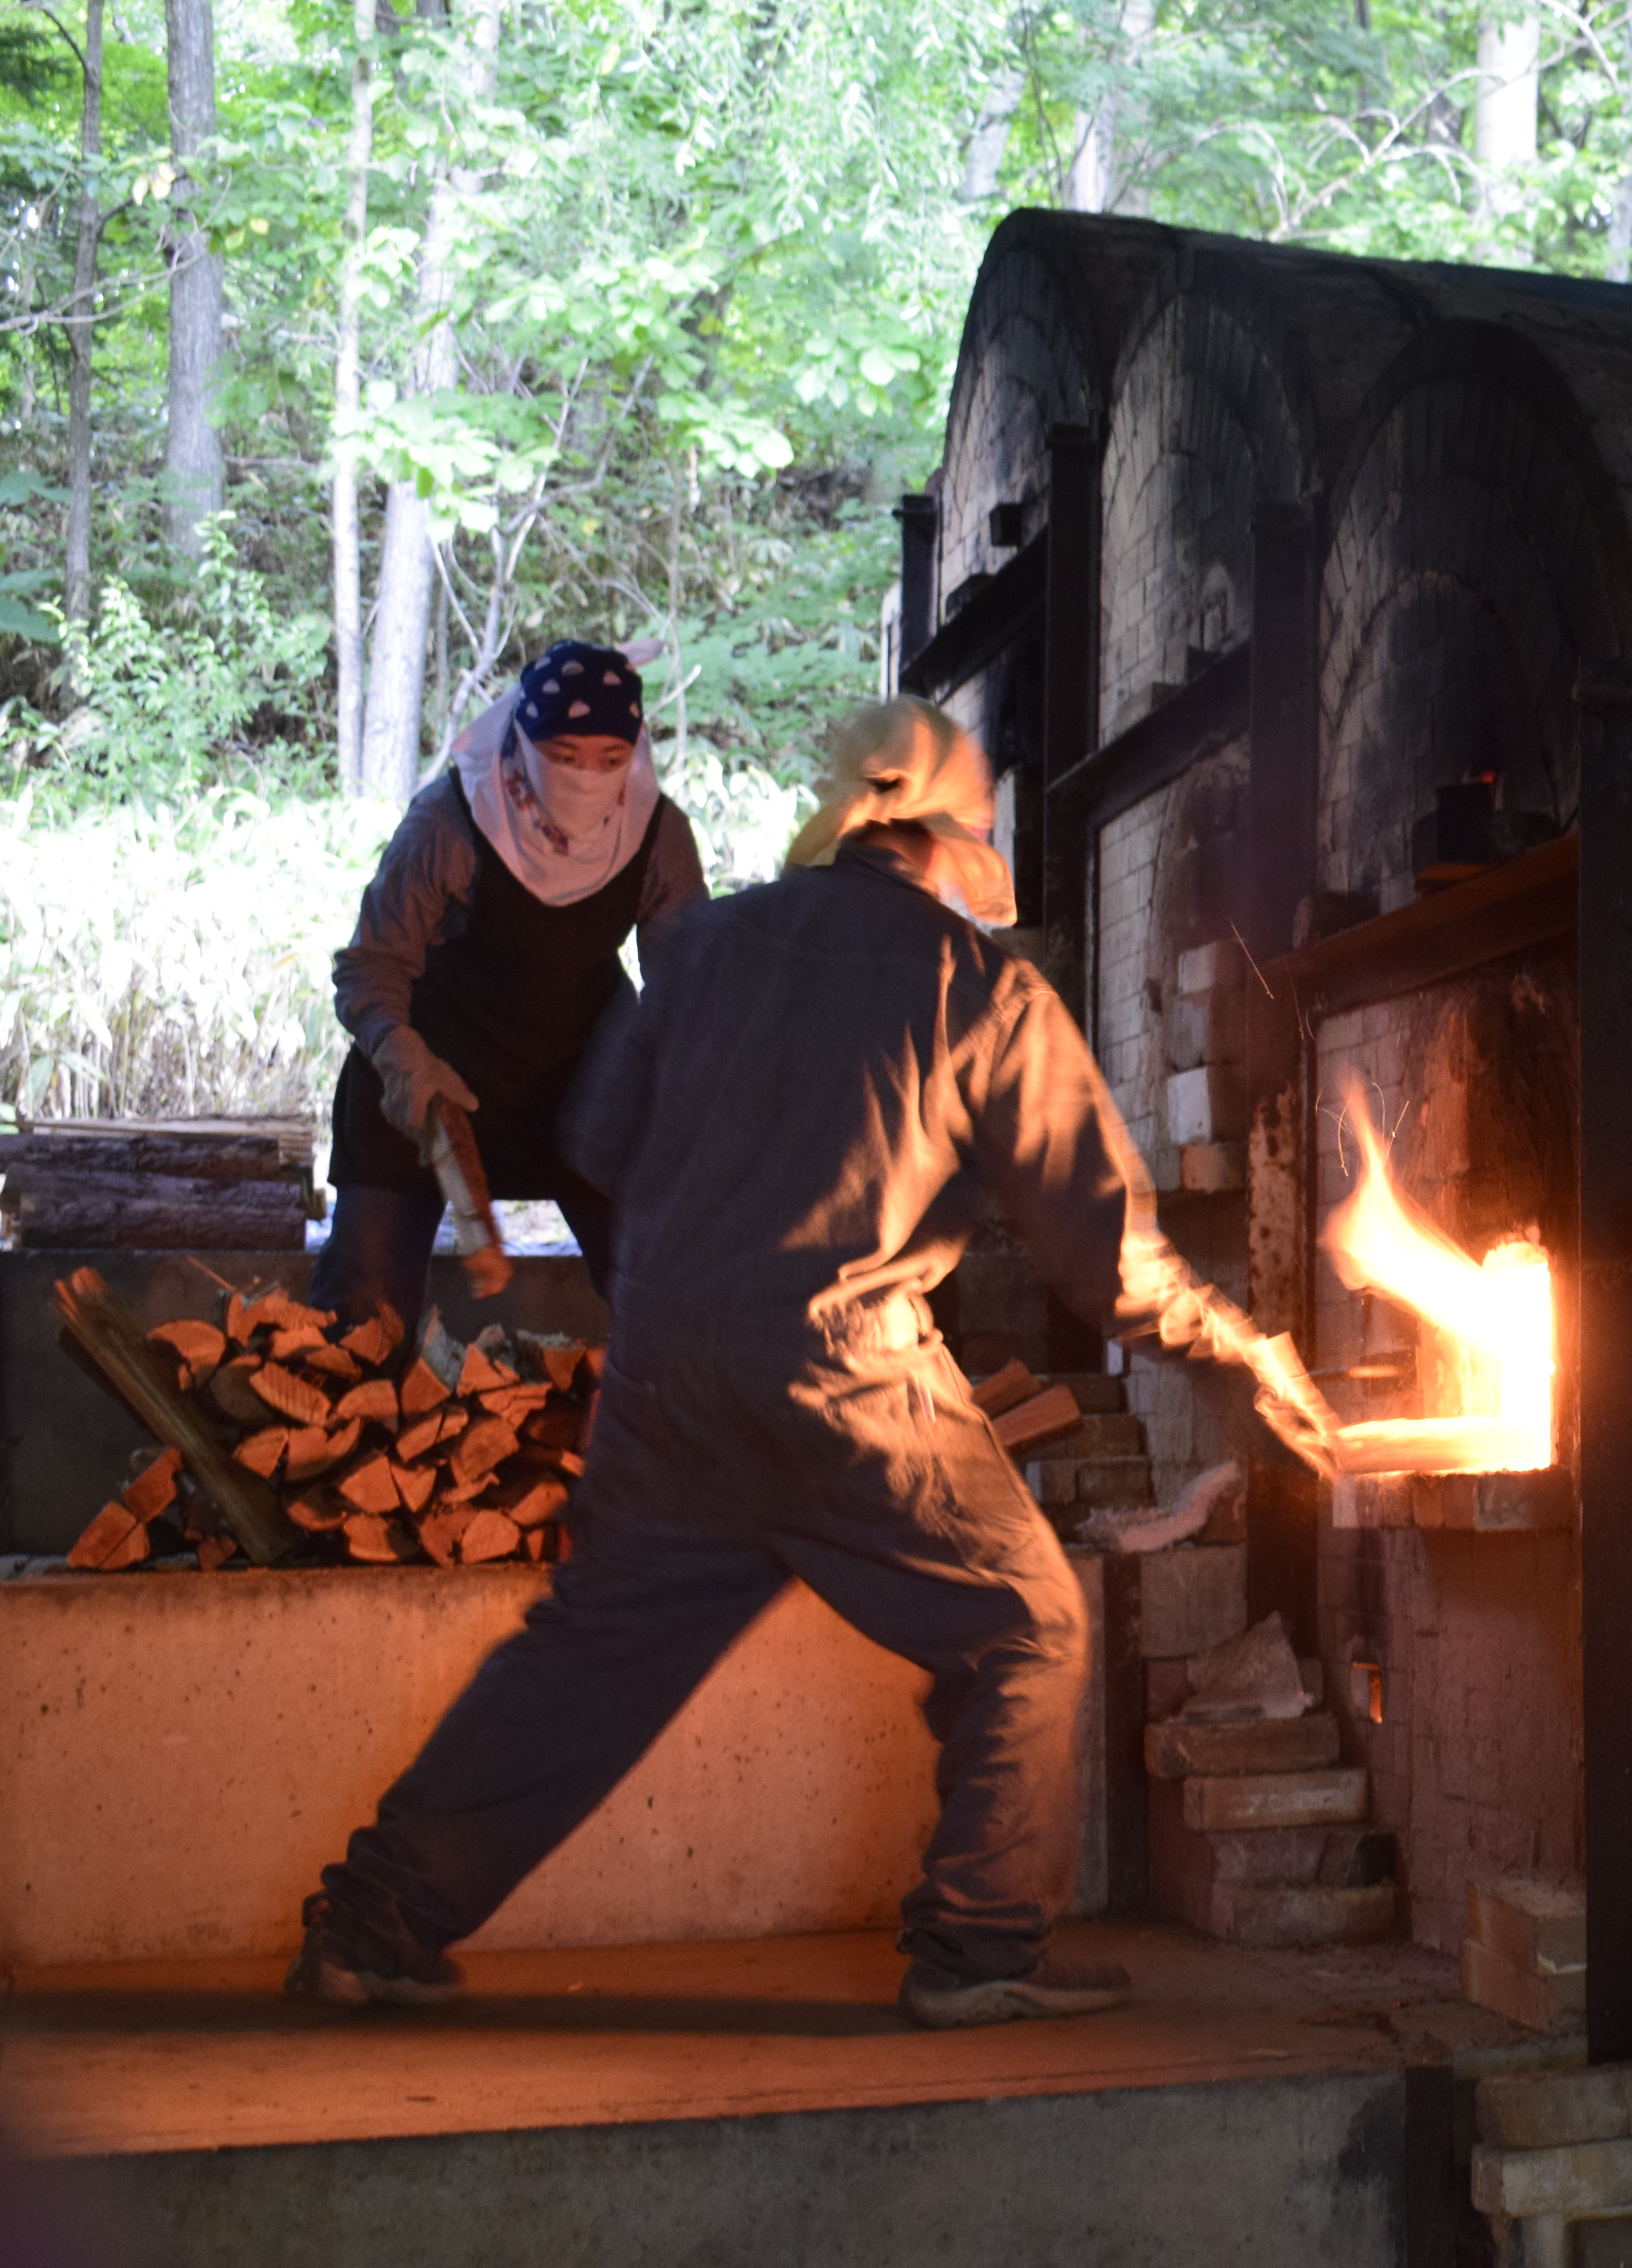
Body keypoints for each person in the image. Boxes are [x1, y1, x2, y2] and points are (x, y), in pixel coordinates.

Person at [285, 699, 1333, 2030]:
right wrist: (1244, 1349)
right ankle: (978, 1950)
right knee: (1026, 1623)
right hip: (844, 1377)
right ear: (955, 837)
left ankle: (369, 1924)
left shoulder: (703, 948)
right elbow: (1105, 1258)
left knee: (590, 1653)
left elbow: (598, 1138)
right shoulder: (980, 981)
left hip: (665, 1379)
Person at [318, 641, 705, 1331]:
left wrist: (689, 1100)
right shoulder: (451, 820)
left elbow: (690, 994)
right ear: (522, 741)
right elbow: (371, 965)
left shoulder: (660, 835)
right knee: (358, 1327)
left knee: (671, 1296)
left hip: (587, 1082)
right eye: (564, 756)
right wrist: (401, 1059)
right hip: (427, 1073)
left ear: (635, 752)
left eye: (610, 761)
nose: (587, 778)